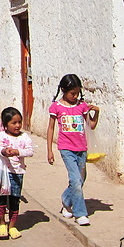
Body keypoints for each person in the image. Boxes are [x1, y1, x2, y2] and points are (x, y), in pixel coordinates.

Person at [46, 73, 101, 226]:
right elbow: (50, 129)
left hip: (81, 148)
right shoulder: (56, 107)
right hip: (66, 149)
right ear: (63, 90)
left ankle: (66, 199)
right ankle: (80, 213)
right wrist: (49, 150)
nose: (75, 96)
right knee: (75, 179)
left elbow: (91, 125)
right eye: (72, 93)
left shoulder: (81, 106)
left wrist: (96, 112)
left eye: (77, 93)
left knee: (81, 179)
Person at [0, 106, 34, 239]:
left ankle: (12, 225)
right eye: (13, 123)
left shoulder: (24, 137)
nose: (17, 125)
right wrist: (5, 151)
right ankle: (2, 223)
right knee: (1, 199)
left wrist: (18, 152)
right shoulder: (0, 136)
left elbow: (30, 151)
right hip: (2, 173)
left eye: (19, 122)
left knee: (15, 200)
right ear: (5, 125)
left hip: (17, 173)